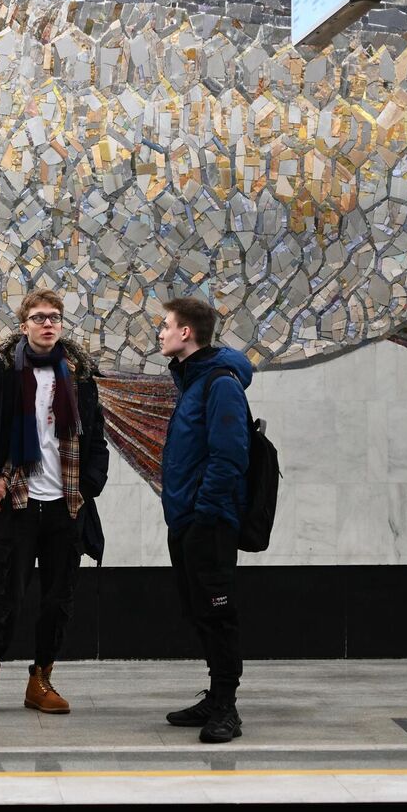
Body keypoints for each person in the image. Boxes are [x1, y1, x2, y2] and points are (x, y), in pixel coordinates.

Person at [0, 289, 111, 716]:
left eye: (54, 317)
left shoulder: (79, 376)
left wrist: (91, 485)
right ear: (24, 326)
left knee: (59, 600)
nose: (48, 324)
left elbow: (97, 440)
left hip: (67, 505)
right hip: (18, 503)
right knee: (4, 597)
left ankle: (41, 680)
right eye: (39, 317)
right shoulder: (3, 373)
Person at [155, 297, 256, 744]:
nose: (159, 334)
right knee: (200, 610)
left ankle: (227, 708)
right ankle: (215, 697)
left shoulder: (220, 382)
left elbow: (230, 454)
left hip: (207, 521)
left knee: (218, 613)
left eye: (165, 326)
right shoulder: (193, 380)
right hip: (187, 518)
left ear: (186, 333)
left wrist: (205, 511)